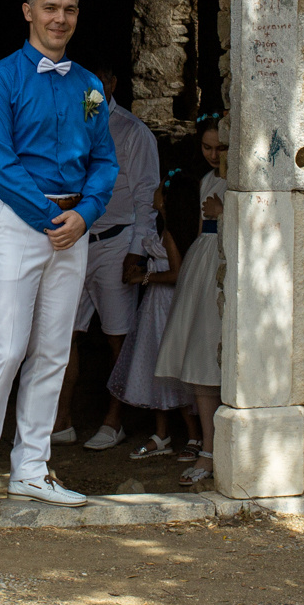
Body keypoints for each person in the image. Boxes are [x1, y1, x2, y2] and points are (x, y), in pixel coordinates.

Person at [0, 0, 117, 514]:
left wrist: (88, 212)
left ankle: (30, 468)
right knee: (3, 348)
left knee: (54, 350)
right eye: (50, 8)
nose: (60, 18)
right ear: (29, 12)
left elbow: (104, 158)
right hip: (15, 222)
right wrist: (46, 218)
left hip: (73, 228)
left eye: (69, 9)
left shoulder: (90, 88)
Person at [59, 68, 160, 451]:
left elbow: (146, 197)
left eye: (98, 78)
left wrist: (137, 250)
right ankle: (61, 419)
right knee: (63, 331)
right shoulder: (71, 124)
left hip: (117, 241)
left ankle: (114, 419)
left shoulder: (132, 132)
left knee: (118, 335)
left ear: (112, 83)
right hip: (74, 239)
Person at [154, 120, 226, 487]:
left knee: (215, 356)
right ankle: (208, 449)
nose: (214, 156)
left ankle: (217, 451)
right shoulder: (206, 181)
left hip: (227, 264)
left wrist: (224, 214)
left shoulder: (235, 183)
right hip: (204, 263)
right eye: (207, 149)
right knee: (198, 356)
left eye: (221, 148)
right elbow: (202, 232)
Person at [107, 183, 194, 459]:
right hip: (155, 306)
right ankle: (162, 433)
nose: (153, 195)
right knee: (155, 365)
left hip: (165, 306)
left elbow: (176, 274)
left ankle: (193, 435)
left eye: (158, 191)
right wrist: (145, 270)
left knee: (169, 364)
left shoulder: (170, 233)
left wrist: (141, 278)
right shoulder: (164, 229)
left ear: (165, 200)